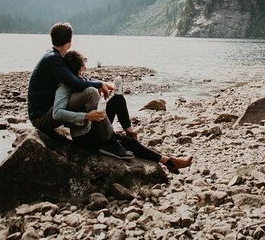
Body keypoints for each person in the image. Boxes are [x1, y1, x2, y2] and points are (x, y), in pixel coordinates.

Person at [57, 50, 193, 174]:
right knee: (131, 144)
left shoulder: (80, 80)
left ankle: (129, 130)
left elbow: (92, 82)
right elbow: (59, 113)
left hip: (95, 125)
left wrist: (107, 86)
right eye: (84, 64)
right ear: (81, 68)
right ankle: (169, 161)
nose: (85, 67)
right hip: (85, 136)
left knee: (118, 99)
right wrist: (87, 115)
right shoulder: (67, 87)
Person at [27, 22, 133, 160]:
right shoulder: (54, 58)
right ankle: (109, 141)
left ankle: (99, 132)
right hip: (42, 117)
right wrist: (99, 83)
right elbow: (76, 82)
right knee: (90, 93)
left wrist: (99, 83)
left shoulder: (53, 55)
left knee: (91, 91)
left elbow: (75, 77)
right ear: (70, 42)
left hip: (44, 112)